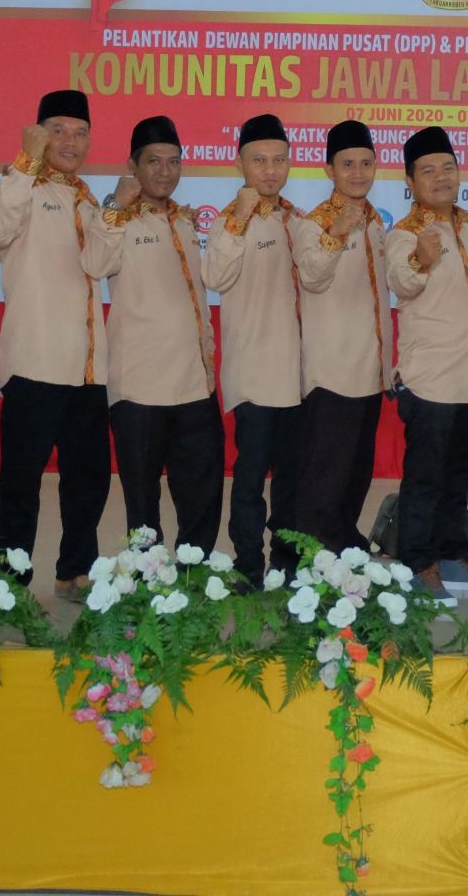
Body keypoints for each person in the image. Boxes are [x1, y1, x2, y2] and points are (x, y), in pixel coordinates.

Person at [0, 90, 120, 601]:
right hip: (35, 362)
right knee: (21, 481)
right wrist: (23, 164)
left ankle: (75, 570)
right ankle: (10, 580)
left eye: (79, 133)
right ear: (38, 136)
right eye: (58, 130)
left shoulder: (88, 199)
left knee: (88, 479)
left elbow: (101, 266)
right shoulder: (20, 185)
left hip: (87, 369)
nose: (69, 141)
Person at [385, 126, 468, 606]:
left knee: (458, 477)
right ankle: (416, 564)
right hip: (430, 380)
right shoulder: (404, 233)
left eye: (448, 168)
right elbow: (401, 279)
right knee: (425, 481)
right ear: (410, 181)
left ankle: (452, 555)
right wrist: (420, 257)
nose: (440, 177)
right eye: (428, 170)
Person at [98, 115, 223, 553]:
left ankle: (195, 573)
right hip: (139, 387)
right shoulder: (116, 218)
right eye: (154, 161)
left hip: (194, 384)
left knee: (203, 492)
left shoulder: (184, 221)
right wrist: (115, 206)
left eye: (174, 161)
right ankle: (145, 579)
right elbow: (95, 263)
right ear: (132, 165)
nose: (165, 171)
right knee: (142, 503)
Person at [204, 114, 304, 584]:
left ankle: (286, 564)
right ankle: (247, 566)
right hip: (254, 376)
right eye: (259, 160)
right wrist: (240, 219)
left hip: (298, 378)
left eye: (279, 160)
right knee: (249, 483)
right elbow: (214, 276)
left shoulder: (300, 221)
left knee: (291, 483)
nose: (270, 170)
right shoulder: (229, 221)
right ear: (239, 163)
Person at [292, 120, 394, 555]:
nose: (358, 172)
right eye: (347, 164)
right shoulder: (313, 223)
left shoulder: (375, 222)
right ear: (328, 169)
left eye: (365, 163)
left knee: (356, 470)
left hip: (370, 368)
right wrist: (336, 233)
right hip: (332, 371)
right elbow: (312, 277)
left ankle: (344, 540)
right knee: (325, 472)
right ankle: (315, 553)